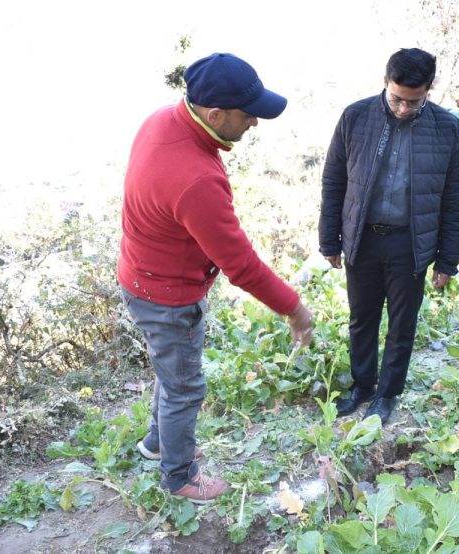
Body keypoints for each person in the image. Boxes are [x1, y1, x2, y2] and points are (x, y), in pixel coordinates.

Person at [118, 53, 313, 502]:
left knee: (170, 371)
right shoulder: (196, 178)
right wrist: (295, 308)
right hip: (167, 294)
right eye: (249, 116)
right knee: (185, 385)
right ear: (216, 114)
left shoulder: (162, 121)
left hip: (141, 274)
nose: (255, 124)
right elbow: (240, 264)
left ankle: (157, 442)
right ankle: (179, 477)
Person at [319, 48, 459, 425]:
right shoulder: (356, 117)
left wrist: (448, 259)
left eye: (413, 101)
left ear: (429, 90)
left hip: (410, 243)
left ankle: (387, 395)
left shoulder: (447, 129)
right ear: (385, 82)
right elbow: (334, 180)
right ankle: (362, 386)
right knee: (361, 318)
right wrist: (329, 239)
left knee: (403, 324)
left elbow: (453, 199)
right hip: (362, 238)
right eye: (397, 98)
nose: (403, 108)